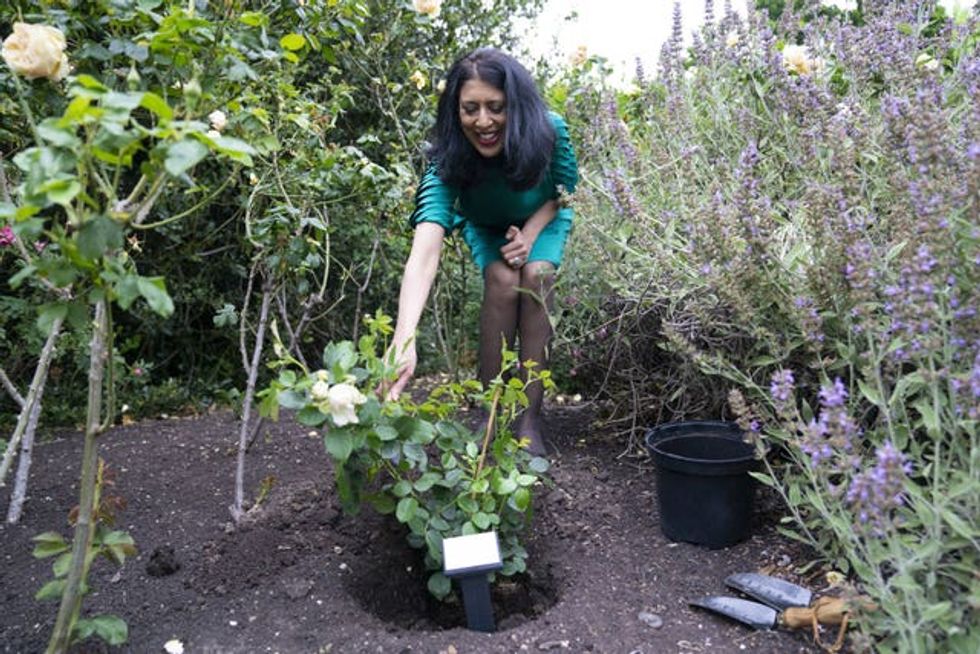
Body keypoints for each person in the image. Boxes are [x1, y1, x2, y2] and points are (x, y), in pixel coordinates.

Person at [385, 47, 578, 456]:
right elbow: (425, 249)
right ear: (455, 112)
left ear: (517, 106)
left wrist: (530, 232)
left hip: (542, 220)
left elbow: (565, 192)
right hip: (488, 227)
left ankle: (528, 416)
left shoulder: (550, 131)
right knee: (502, 279)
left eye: (496, 107)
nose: (483, 121)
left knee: (538, 274)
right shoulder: (447, 158)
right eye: (470, 109)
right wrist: (404, 338)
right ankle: (489, 413)